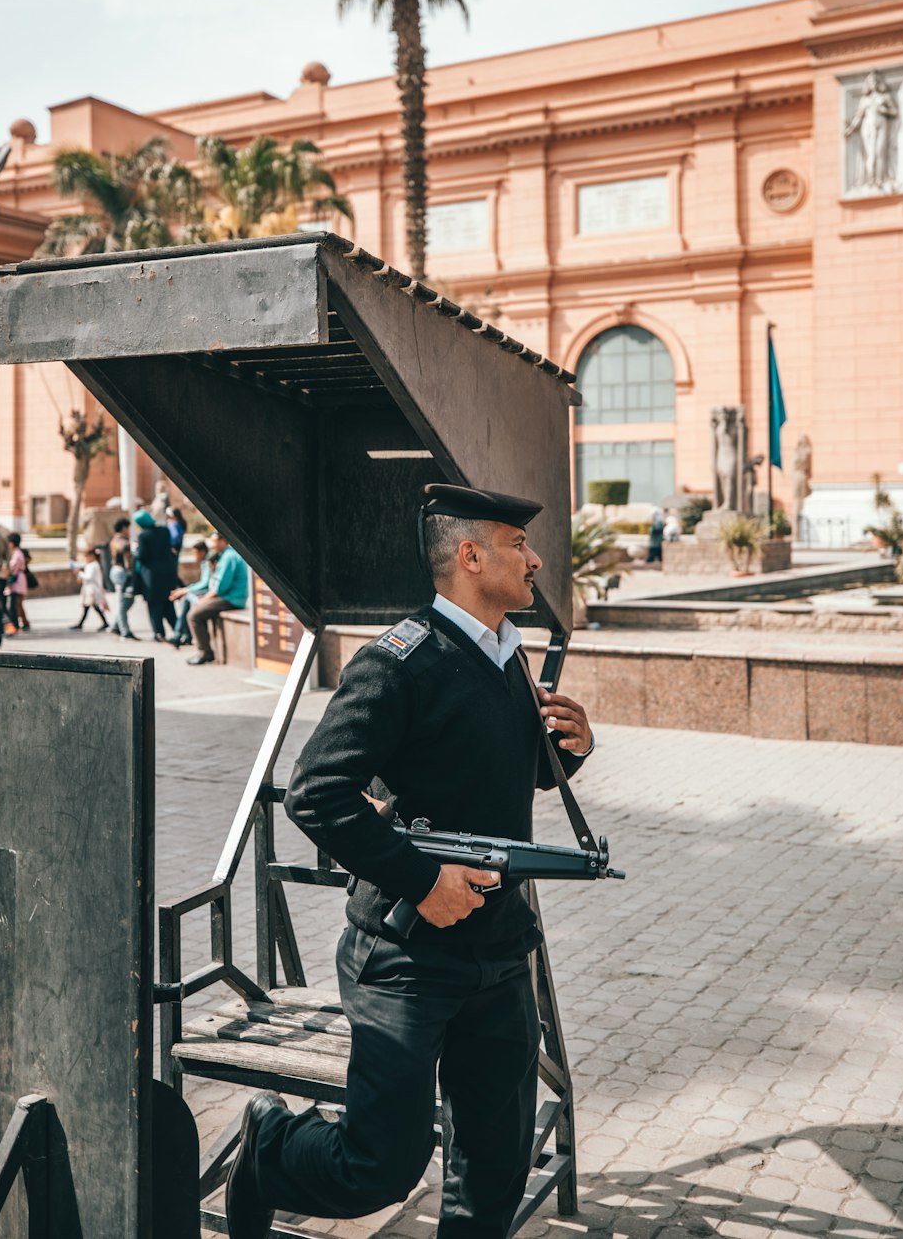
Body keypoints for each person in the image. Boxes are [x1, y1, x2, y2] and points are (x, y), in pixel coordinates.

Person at [223, 484, 594, 1239]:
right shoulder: (399, 661)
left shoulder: (506, 656)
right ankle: (270, 1147)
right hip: (405, 958)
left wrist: (568, 753)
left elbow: (486, 773)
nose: (536, 558)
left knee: (494, 1172)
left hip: (498, 952)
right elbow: (319, 795)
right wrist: (422, 880)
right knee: (379, 1167)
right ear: (470, 555)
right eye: (519, 545)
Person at [187, 531, 249, 666]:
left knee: (194, 615)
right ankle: (206, 649)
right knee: (197, 608)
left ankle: (205, 653)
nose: (212, 545)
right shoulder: (225, 555)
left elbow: (221, 587)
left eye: (214, 541)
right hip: (228, 597)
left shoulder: (229, 557)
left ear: (223, 541)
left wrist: (204, 599)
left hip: (232, 598)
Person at [134, 508, 177, 642]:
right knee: (168, 605)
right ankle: (179, 630)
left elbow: (142, 556)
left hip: (152, 577)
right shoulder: (164, 531)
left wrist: (135, 551)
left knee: (154, 606)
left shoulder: (143, 536)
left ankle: (159, 633)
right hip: (167, 573)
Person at [168, 539, 210, 647]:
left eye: (195, 553)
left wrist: (186, 590)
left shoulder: (209, 562)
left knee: (186, 598)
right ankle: (185, 635)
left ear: (202, 552)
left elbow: (206, 584)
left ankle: (179, 635)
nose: (194, 556)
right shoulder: (204, 562)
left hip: (210, 593)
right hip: (206, 591)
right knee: (185, 600)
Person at [108, 517, 139, 640]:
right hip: (121, 572)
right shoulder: (122, 542)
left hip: (116, 571)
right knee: (123, 602)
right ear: (124, 528)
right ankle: (125, 631)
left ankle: (116, 626)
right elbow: (127, 558)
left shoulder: (115, 539)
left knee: (127, 601)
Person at [70, 547, 110, 631]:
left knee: (90, 607)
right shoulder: (92, 565)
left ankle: (81, 624)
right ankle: (104, 623)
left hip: (92, 590)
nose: (85, 558)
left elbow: (89, 577)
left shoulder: (93, 565)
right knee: (90, 607)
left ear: (92, 556)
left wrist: (79, 573)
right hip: (90, 589)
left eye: (86, 556)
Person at [4, 533, 27, 634]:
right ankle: (24, 623)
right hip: (18, 580)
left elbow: (12, 567)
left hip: (17, 581)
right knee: (18, 604)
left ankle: (15, 625)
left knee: (14, 604)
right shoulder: (17, 552)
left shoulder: (17, 554)